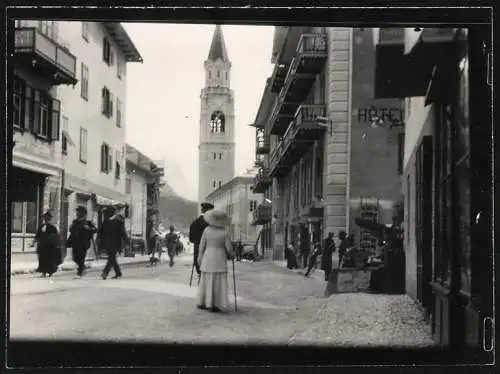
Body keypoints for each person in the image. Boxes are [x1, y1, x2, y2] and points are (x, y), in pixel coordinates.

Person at [196, 209, 234, 313]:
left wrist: (199, 257)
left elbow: (201, 245)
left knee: (206, 280)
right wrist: (232, 254)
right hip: (220, 257)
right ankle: (215, 303)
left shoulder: (207, 230)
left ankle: (204, 302)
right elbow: (229, 247)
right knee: (218, 281)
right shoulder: (225, 231)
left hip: (208, 256)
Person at [98, 206, 129, 279]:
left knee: (111, 257)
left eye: (107, 212)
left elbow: (123, 233)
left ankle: (105, 272)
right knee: (112, 258)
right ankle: (118, 272)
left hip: (115, 243)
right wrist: (99, 240)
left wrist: (126, 243)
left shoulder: (119, 221)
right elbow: (101, 232)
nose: (106, 214)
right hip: (107, 243)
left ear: (110, 213)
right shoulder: (105, 221)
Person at [67, 206, 96, 278]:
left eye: (78, 212)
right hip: (75, 242)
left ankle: (79, 273)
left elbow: (95, 229)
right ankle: (82, 268)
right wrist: (71, 227)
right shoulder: (75, 221)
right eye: (77, 211)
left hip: (84, 243)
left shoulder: (88, 222)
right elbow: (71, 230)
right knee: (75, 258)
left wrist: (89, 228)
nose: (77, 213)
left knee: (81, 257)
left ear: (83, 213)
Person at [189, 202, 214, 276]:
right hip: (209, 252)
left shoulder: (194, 223)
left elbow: (191, 239)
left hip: (197, 252)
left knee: (200, 273)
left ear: (202, 210)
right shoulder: (212, 224)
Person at [35, 211, 62, 277]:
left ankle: (50, 272)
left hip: (49, 246)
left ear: (49, 219)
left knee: (49, 259)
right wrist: (34, 241)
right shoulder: (41, 227)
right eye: (45, 218)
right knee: (42, 259)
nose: (46, 220)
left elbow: (55, 237)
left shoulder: (53, 227)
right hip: (42, 246)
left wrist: (56, 245)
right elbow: (37, 235)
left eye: (47, 219)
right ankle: (43, 272)